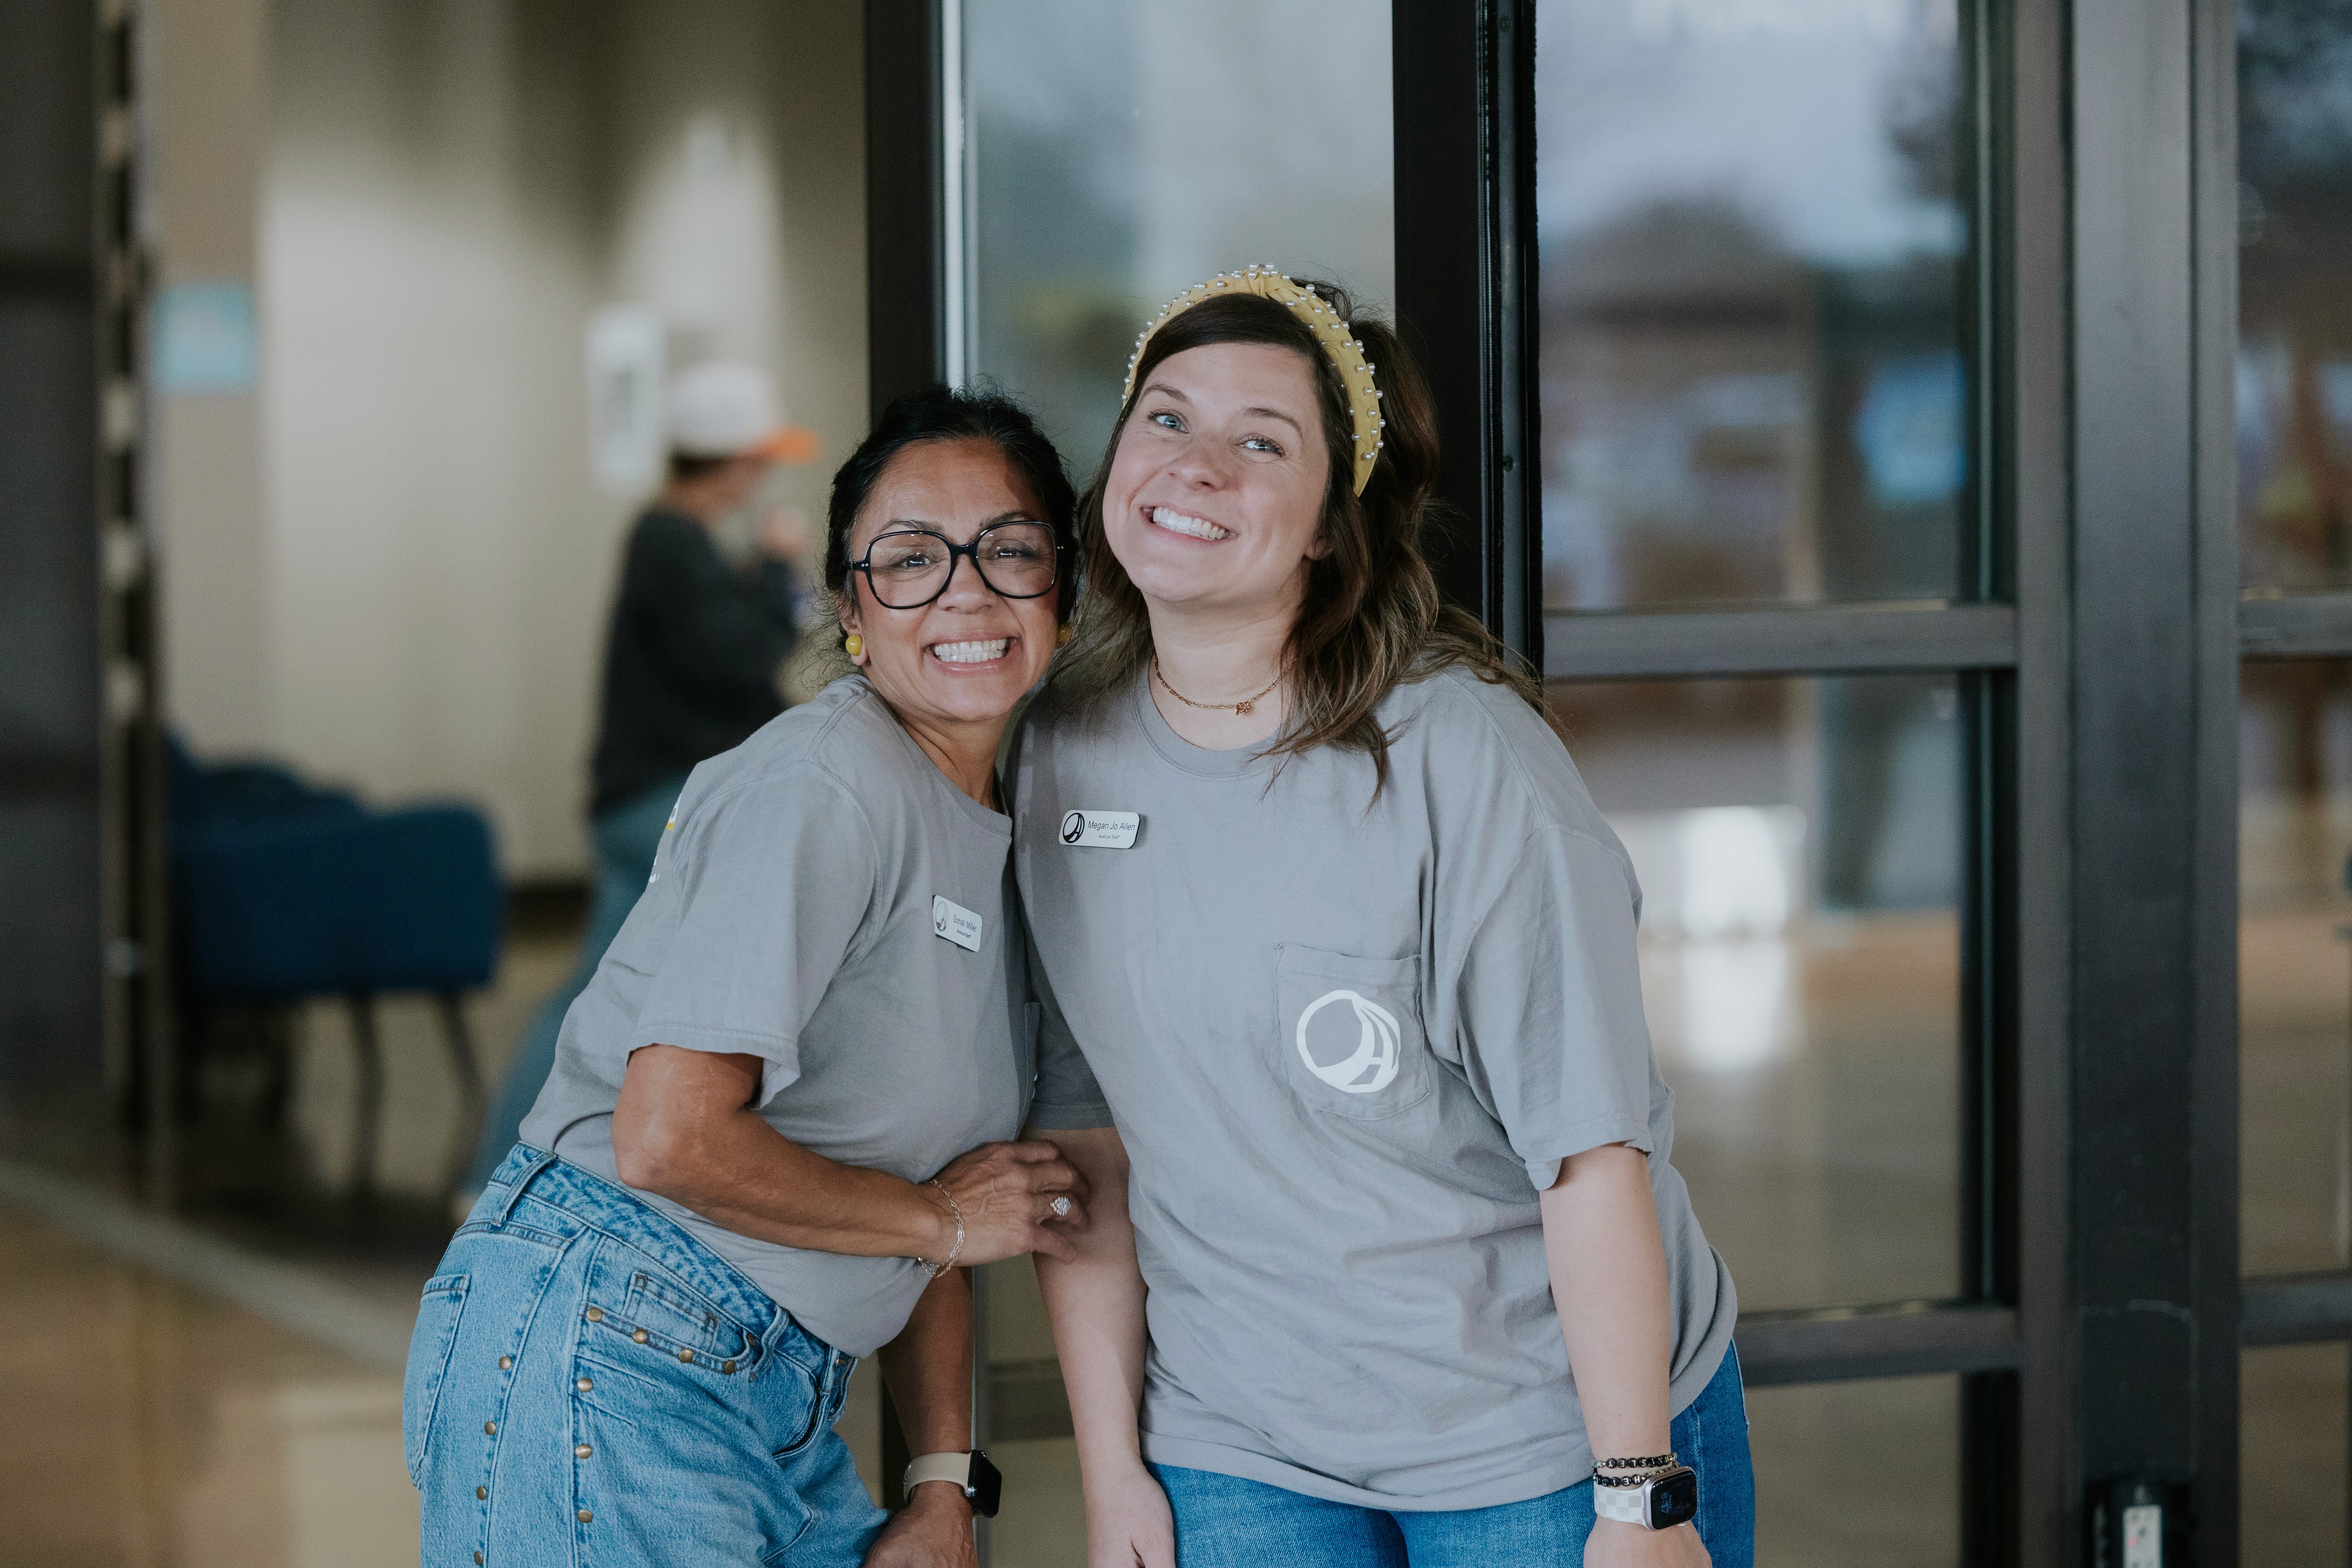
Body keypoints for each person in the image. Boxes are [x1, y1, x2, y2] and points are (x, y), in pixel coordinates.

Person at [1011, 270, 1751, 1568]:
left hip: (1536, 1431)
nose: (1195, 468)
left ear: (1327, 525)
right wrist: (1113, 1472)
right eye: (1166, 419)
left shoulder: (1467, 765)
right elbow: (1089, 1150)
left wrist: (1637, 1499)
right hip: (1240, 1438)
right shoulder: (1062, 755)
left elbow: (1589, 1155)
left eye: (1261, 442)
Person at [404, 387, 1097, 1568]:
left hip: (768, 1390)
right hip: (616, 1339)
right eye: (911, 559)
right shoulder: (825, 789)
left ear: (1064, 600)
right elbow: (670, 1139)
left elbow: (944, 1206)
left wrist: (942, 1483)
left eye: (1011, 550)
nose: (966, 591)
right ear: (850, 613)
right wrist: (939, 1218)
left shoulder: (998, 822)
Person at [458, 361, 820, 1211]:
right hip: (659, 808)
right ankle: (516, 1177)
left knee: (592, 992)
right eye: (758, 459)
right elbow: (742, 665)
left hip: (637, 803)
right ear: (732, 463)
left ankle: (496, 1173)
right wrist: (776, 571)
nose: (765, 475)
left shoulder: (672, 540)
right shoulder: (673, 543)